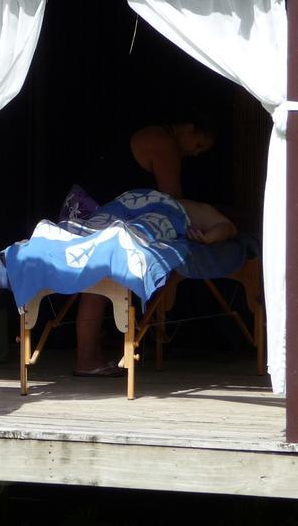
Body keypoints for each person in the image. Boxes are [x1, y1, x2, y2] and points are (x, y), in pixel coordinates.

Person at [74, 120, 217, 377]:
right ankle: (86, 358)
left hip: (91, 209)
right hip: (95, 213)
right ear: (188, 127)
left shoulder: (151, 134)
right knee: (98, 280)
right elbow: (172, 200)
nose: (194, 154)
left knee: (98, 281)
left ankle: (92, 352)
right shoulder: (163, 143)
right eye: (197, 145)